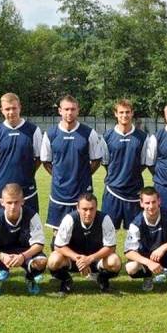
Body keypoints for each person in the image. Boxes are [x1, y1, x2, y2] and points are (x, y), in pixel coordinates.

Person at [40, 95, 102, 232]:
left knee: (83, 231)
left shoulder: (88, 133)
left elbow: (97, 160)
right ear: (60, 111)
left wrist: (83, 175)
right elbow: (45, 161)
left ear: (78, 110)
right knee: (58, 232)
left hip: (82, 191)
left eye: (73, 109)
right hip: (59, 192)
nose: (69, 112)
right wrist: (58, 176)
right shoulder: (51, 134)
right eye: (66, 109)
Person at [0, 184, 47, 299]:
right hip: (2, 252)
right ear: (2, 202)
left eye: (16, 202)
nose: (13, 206)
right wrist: (1, 256)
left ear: (22, 201)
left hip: (24, 251)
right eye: (9, 202)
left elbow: (39, 244)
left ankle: (30, 278)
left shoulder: (32, 216)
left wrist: (23, 256)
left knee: (42, 261)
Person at [47, 193, 121, 294]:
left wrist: (90, 259)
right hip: (73, 260)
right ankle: (66, 280)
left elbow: (111, 247)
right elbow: (58, 246)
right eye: (84, 209)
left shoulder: (105, 219)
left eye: (91, 209)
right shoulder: (69, 219)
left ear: (96, 208)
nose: (88, 213)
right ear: (77, 208)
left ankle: (102, 279)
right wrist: (78, 258)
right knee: (53, 260)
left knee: (115, 261)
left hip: (96, 260)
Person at [124, 187, 167, 297]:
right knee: (131, 268)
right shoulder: (136, 223)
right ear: (141, 203)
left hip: (166, 254)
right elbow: (129, 252)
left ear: (159, 201)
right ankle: (148, 276)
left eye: (154, 202)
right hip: (147, 258)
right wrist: (148, 263)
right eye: (147, 203)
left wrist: (163, 248)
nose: (151, 206)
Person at [0, 93, 42, 214]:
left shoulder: (33, 130)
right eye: (7, 109)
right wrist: (2, 173)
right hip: (1, 185)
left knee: (30, 224)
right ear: (1, 110)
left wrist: (28, 173)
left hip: (27, 185)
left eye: (14, 108)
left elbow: (39, 158)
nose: (11, 112)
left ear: (20, 107)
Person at [101, 99, 149, 229]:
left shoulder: (143, 137)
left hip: (135, 192)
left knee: (135, 232)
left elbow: (144, 163)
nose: (124, 115)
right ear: (115, 114)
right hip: (112, 190)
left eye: (127, 112)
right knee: (108, 231)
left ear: (132, 113)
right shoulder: (107, 136)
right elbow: (105, 162)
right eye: (121, 112)